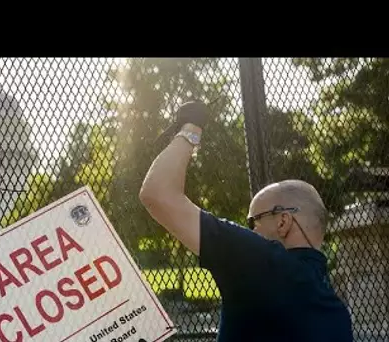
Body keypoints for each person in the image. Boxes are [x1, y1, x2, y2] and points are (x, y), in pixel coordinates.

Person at [138, 100, 353, 342]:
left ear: (283, 221)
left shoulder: (263, 262)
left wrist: (191, 129)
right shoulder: (337, 314)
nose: (248, 230)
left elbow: (157, 194)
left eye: (254, 222)